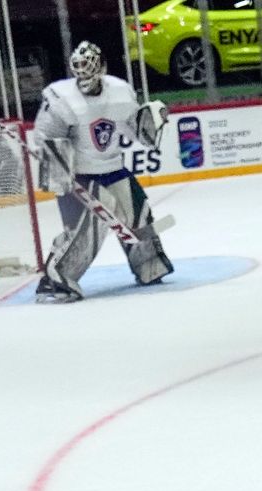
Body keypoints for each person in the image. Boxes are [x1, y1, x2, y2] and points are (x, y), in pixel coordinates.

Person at [29, 42, 174, 302]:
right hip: (81, 177)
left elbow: (132, 129)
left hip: (113, 168)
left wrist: (148, 124)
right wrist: (59, 171)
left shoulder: (120, 91)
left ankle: (149, 266)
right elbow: (45, 137)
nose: (84, 75)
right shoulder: (61, 97)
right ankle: (55, 281)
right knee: (89, 227)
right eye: (80, 69)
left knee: (137, 214)